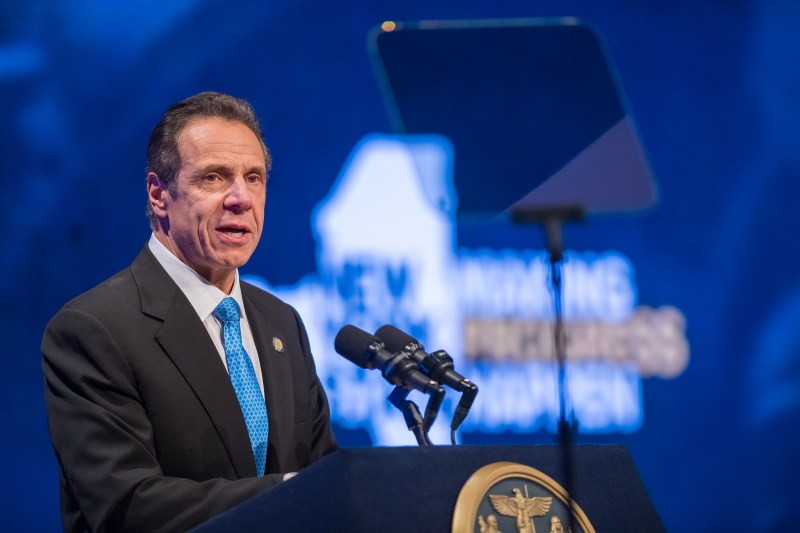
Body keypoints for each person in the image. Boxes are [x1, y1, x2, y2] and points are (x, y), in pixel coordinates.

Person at [41, 92, 338, 532]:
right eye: (214, 178)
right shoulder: (93, 329)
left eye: (254, 178)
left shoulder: (281, 323)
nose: (241, 198)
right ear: (159, 194)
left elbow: (326, 476)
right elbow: (128, 505)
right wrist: (295, 491)